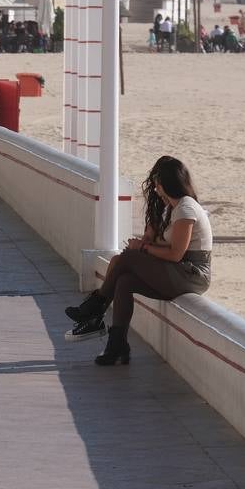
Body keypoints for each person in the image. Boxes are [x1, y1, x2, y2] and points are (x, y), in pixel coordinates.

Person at [65, 155, 212, 365]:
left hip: (191, 274)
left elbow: (175, 254)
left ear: (164, 184)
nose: (154, 188)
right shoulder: (171, 209)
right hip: (176, 270)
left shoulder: (186, 208)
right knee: (124, 282)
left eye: (156, 183)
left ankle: (95, 309)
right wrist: (150, 233)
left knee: (127, 258)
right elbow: (162, 247)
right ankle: (117, 346)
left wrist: (142, 247)